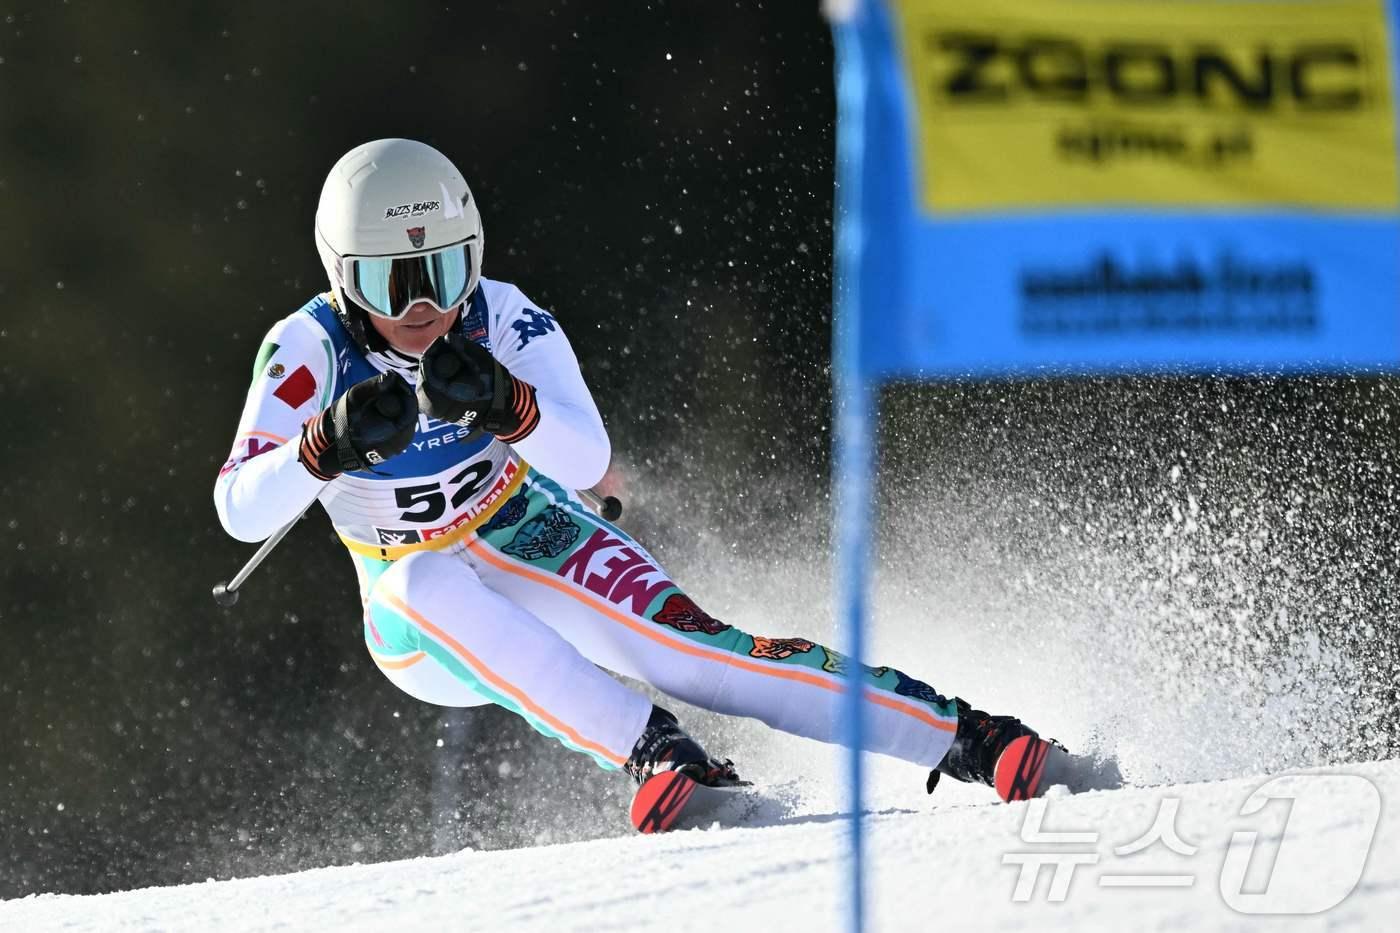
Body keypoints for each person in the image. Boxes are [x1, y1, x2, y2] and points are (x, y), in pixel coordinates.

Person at [214, 138, 1056, 808]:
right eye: (387, 285)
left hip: (525, 527)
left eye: (438, 271)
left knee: (696, 655)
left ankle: (967, 734)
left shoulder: (503, 316)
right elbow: (239, 509)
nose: (419, 308)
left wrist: (512, 405)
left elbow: (585, 458)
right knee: (421, 586)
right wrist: (322, 444)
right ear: (340, 276)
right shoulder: (308, 347)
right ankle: (648, 743)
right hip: (411, 608)